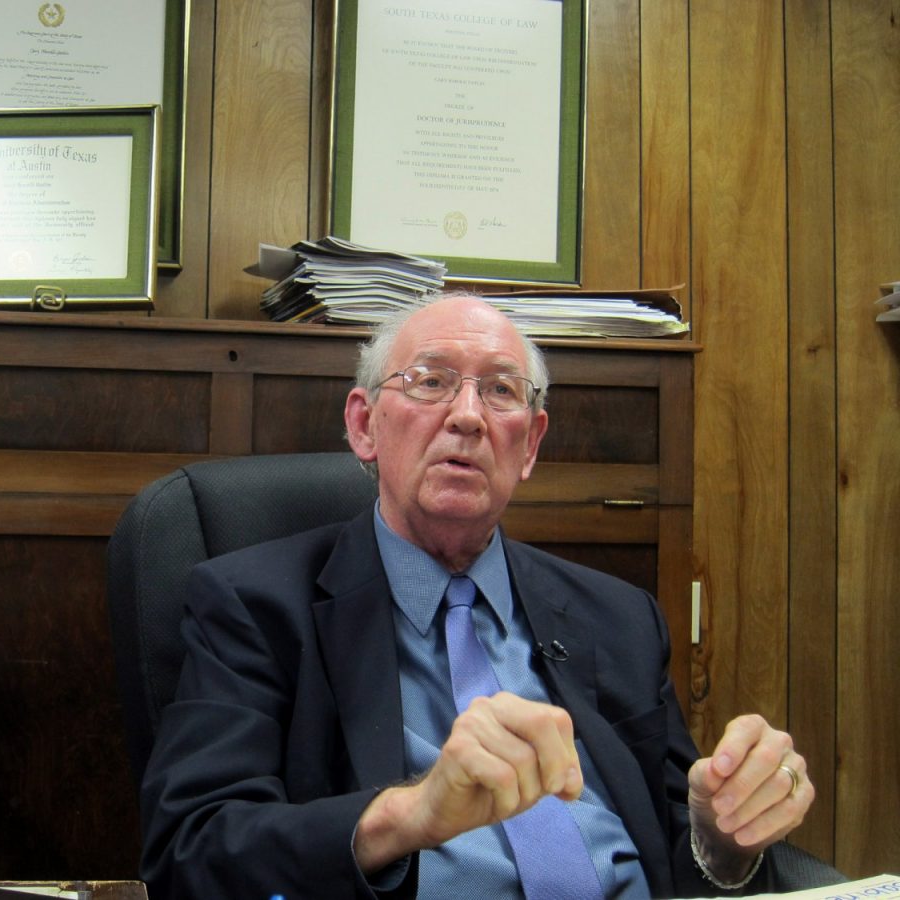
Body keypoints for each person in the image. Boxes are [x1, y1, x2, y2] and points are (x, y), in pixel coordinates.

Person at [139, 293, 813, 898]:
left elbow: (682, 850)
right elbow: (192, 850)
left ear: (531, 444)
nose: (467, 416)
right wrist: (411, 813)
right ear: (365, 425)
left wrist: (724, 837)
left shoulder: (619, 618)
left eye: (500, 391)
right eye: (430, 381)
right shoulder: (254, 605)